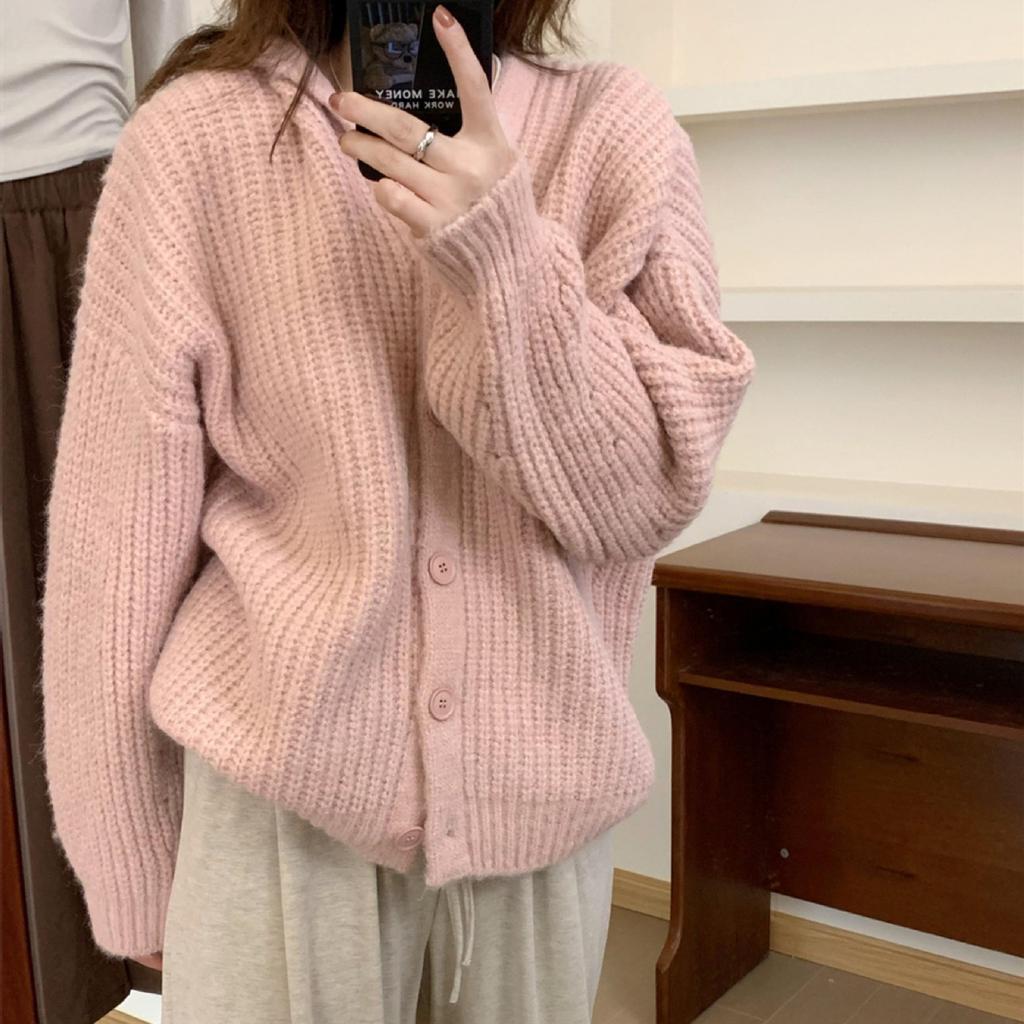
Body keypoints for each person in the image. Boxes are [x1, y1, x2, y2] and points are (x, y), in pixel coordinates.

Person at [38, 1, 757, 1021]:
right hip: (277, 809)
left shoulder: (616, 133)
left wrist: (504, 253)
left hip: (536, 811)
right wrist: (130, 852)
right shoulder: (196, 140)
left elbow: (637, 497)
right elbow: (113, 541)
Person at [0, 4, 188, 1021]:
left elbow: (175, 53)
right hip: (78, 202)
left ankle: (149, 947)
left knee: (118, 616)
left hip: (77, 212)